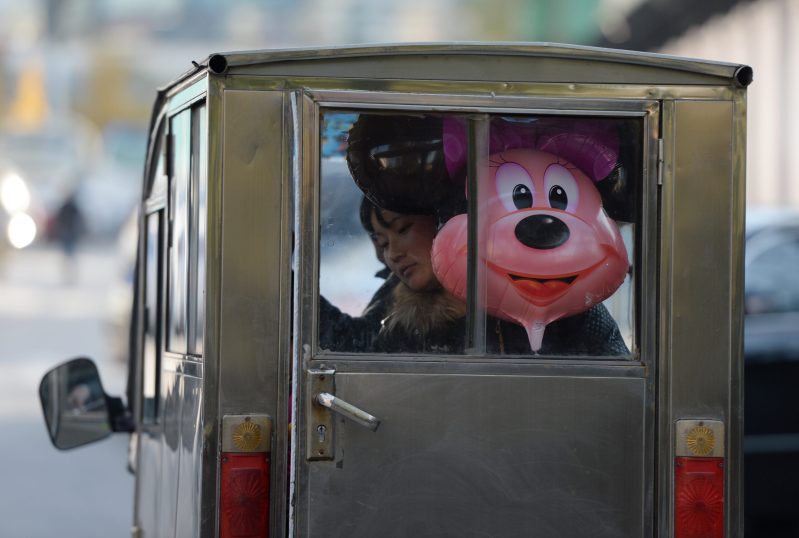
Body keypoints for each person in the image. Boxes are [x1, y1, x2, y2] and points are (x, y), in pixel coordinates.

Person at [320, 196, 628, 356]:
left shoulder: (553, 292)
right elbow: (354, 350)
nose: (392, 253)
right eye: (382, 242)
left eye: (403, 229)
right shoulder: (399, 303)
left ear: (446, 223)